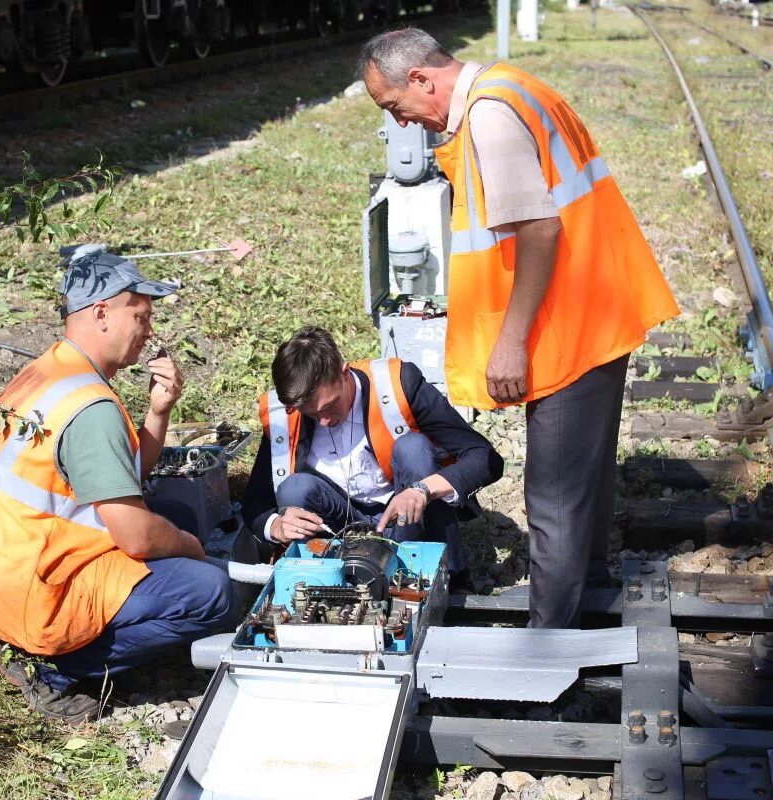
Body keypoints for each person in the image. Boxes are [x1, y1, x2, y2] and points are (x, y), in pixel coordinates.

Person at [358, 30, 680, 627]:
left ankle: (548, 645)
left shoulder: (490, 118)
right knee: (584, 476)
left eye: (394, 106)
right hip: (593, 308)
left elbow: (539, 229)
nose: (401, 123)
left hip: (566, 328)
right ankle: (592, 592)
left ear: (422, 80)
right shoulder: (513, 86)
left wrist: (511, 343)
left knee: (552, 494)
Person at [0, 246, 234, 723]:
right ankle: (55, 670)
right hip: (35, 590)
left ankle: (62, 645)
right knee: (210, 590)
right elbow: (136, 535)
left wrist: (158, 412)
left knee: (180, 519)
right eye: (141, 318)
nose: (148, 333)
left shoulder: (52, 370)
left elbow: (119, 477)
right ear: (102, 313)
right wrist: (189, 547)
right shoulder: (91, 408)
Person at [242, 326, 503, 579]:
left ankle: (446, 574)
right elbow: (255, 501)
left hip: (408, 516)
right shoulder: (285, 416)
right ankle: (319, 580)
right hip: (338, 525)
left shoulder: (397, 385)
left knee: (414, 449)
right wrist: (275, 525)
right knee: (294, 488)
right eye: (311, 413)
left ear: (344, 373)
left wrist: (422, 490)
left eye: (330, 406)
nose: (323, 421)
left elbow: (483, 457)